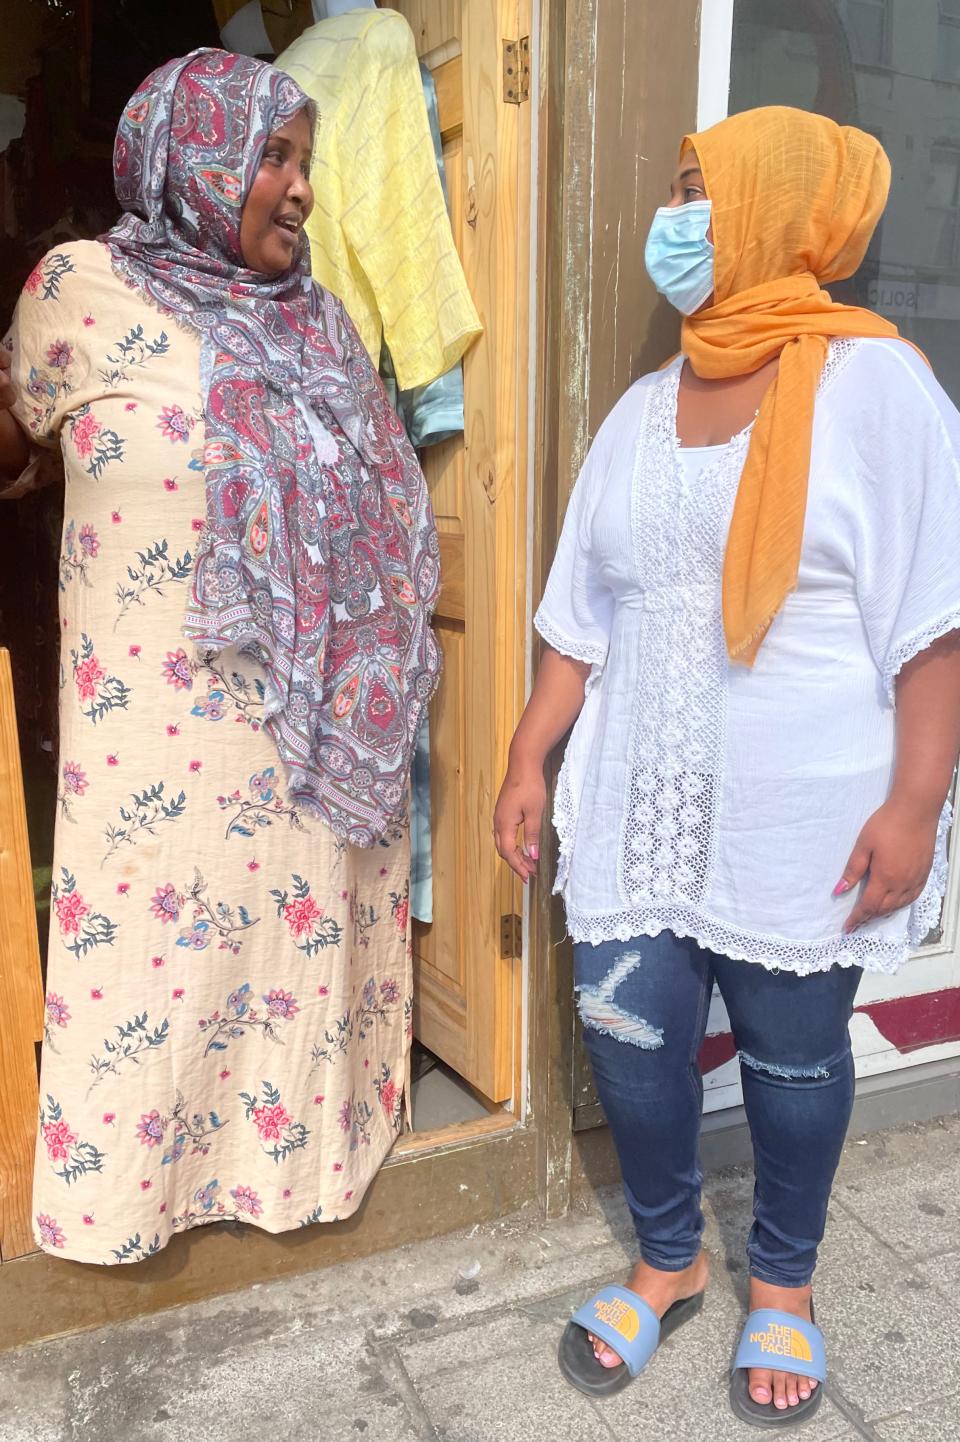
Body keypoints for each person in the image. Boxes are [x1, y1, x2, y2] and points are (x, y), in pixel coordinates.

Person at [494, 106, 960, 1426]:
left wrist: (917, 804)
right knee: (630, 1034)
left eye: (704, 192)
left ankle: (787, 1283)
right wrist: (534, 751)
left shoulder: (881, 389)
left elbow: (936, 618)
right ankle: (669, 1251)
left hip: (803, 816)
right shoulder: (645, 411)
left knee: (794, 1057)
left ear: (773, 207)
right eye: (676, 188)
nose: (679, 218)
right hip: (641, 798)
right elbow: (580, 612)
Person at [0, 48, 439, 1265]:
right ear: (189, 157)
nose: (299, 187)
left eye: (304, 159)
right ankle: (134, 1193)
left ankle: (295, 1163)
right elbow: (19, 427)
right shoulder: (77, 289)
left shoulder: (328, 326)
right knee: (151, 954)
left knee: (291, 946)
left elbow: (385, 506)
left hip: (305, 732)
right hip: (154, 727)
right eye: (273, 156)